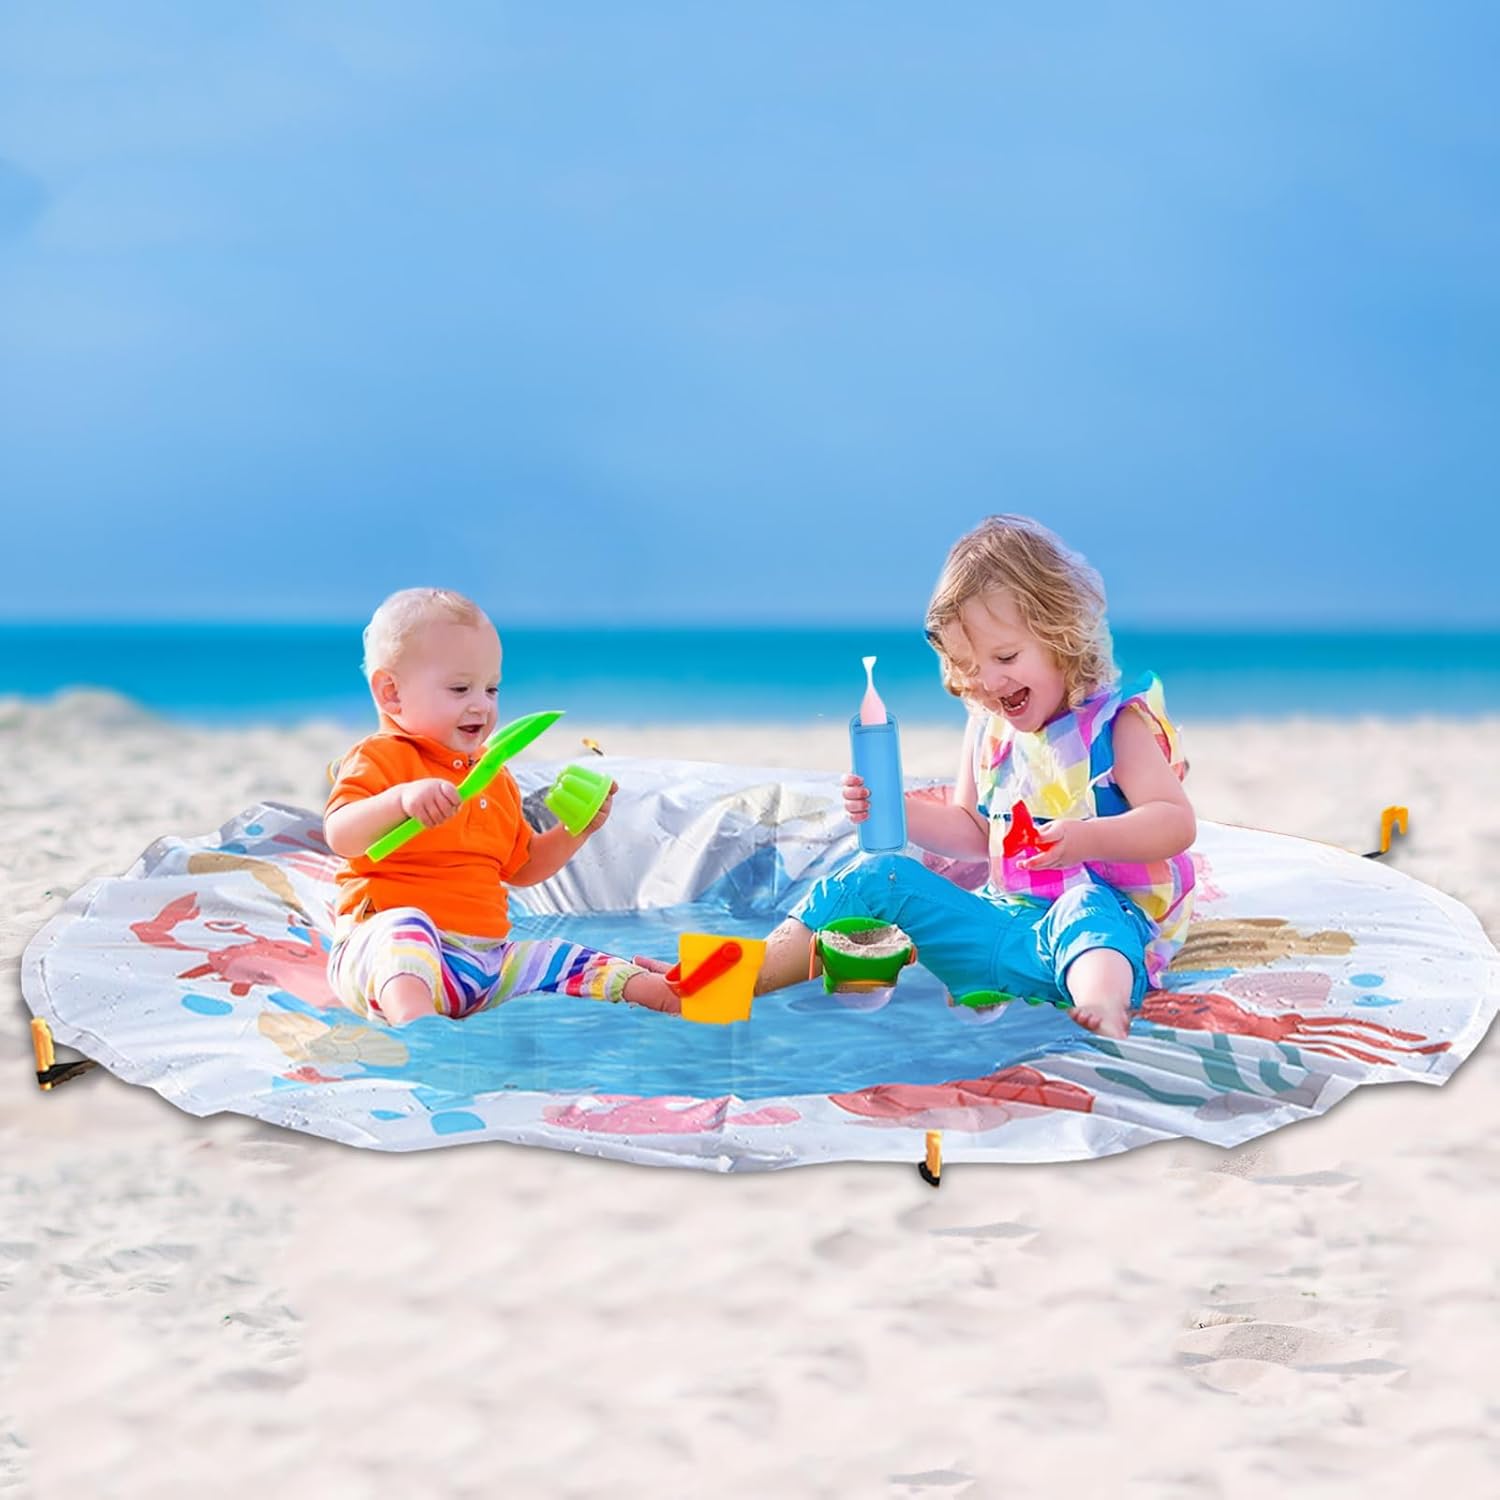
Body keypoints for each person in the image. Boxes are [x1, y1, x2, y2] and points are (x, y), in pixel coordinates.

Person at [756, 515, 1197, 1040]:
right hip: (1007, 922)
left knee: (1084, 907)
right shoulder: (989, 729)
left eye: (1005, 656)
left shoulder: (1114, 726)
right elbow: (972, 832)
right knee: (876, 875)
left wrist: (1086, 839)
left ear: (1061, 636)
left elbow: (1175, 822)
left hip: (1104, 932)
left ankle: (1101, 1007)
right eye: (968, 665)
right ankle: (740, 978)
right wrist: (891, 808)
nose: (988, 681)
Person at [322, 587, 679, 1024]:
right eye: (460, 688)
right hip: (380, 955)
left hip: (483, 963)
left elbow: (523, 866)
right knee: (407, 928)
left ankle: (660, 992)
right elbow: (340, 835)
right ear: (392, 693)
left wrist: (576, 831)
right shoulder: (381, 757)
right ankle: (419, 1030)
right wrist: (400, 801)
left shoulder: (494, 777)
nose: (482, 705)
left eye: (492, 689)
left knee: (561, 956)